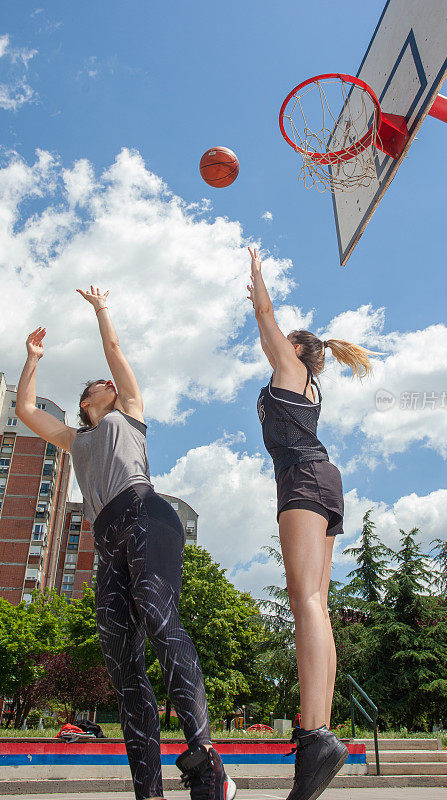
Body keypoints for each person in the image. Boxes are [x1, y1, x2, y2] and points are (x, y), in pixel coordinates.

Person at [16, 287, 236, 800]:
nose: (110, 382)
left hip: (145, 516)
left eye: (110, 381)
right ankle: (149, 792)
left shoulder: (131, 412)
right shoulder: (76, 439)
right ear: (87, 402)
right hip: (106, 539)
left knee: (161, 621)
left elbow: (116, 353)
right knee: (123, 665)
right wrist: (32, 360)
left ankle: (205, 761)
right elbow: (26, 408)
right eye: (99, 385)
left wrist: (101, 310)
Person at [247, 248, 375, 800]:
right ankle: (317, 732)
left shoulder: (293, 367)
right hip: (321, 476)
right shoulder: (307, 381)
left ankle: (317, 733)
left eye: (284, 343)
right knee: (316, 603)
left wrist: (256, 280)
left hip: (303, 477)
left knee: (306, 601)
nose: (275, 348)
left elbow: (265, 321)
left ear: (298, 351)